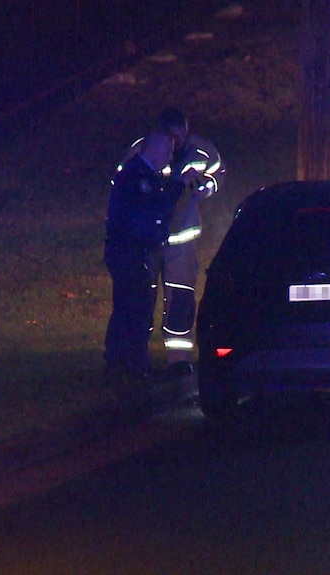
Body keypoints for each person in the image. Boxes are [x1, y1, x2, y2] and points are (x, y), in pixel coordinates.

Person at [117, 108, 225, 388]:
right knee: (142, 298)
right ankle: (137, 359)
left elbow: (217, 172)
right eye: (172, 137)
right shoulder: (143, 150)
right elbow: (123, 181)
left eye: (182, 135)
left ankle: (179, 359)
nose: (177, 143)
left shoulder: (201, 152)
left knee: (181, 298)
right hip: (150, 242)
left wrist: (207, 188)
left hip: (182, 239)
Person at [103, 128, 201, 396]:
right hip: (131, 254)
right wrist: (179, 185)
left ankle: (123, 364)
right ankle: (130, 366)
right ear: (156, 149)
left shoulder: (143, 174)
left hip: (133, 253)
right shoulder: (138, 176)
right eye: (168, 151)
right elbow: (153, 210)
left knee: (130, 308)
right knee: (133, 310)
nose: (171, 156)